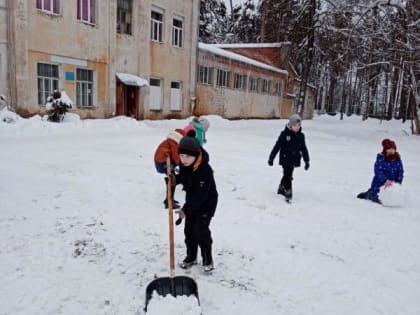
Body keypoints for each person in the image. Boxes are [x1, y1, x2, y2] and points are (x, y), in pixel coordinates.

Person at [171, 136, 218, 272]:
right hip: (192, 201)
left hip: (206, 203)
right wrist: (175, 179)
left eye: (187, 156)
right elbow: (187, 178)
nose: (184, 159)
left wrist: (185, 210)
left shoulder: (205, 170)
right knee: (189, 231)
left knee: (200, 230)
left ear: (196, 156)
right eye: (181, 155)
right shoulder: (185, 165)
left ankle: (207, 259)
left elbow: (201, 195)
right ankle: (191, 256)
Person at [268, 114, 310, 200]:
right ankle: (288, 191)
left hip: (294, 159)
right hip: (285, 158)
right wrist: (271, 158)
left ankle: (281, 188)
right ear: (290, 125)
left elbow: (304, 149)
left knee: (287, 174)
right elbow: (277, 146)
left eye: (298, 125)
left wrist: (307, 161)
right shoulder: (284, 134)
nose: (297, 127)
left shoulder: (301, 136)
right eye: (295, 125)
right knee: (288, 174)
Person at [357, 138, 404, 204]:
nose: (391, 150)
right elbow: (378, 171)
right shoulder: (381, 158)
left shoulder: (397, 160)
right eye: (389, 149)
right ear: (385, 150)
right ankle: (369, 194)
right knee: (377, 197)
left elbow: (400, 171)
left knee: (390, 197)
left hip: (392, 184)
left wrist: (398, 182)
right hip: (379, 183)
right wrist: (385, 180)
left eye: (393, 149)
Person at [153, 129, 185, 209]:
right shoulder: (174, 143)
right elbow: (176, 158)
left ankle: (169, 199)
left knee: (172, 178)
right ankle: (168, 201)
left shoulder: (170, 141)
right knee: (172, 179)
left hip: (162, 162)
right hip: (164, 163)